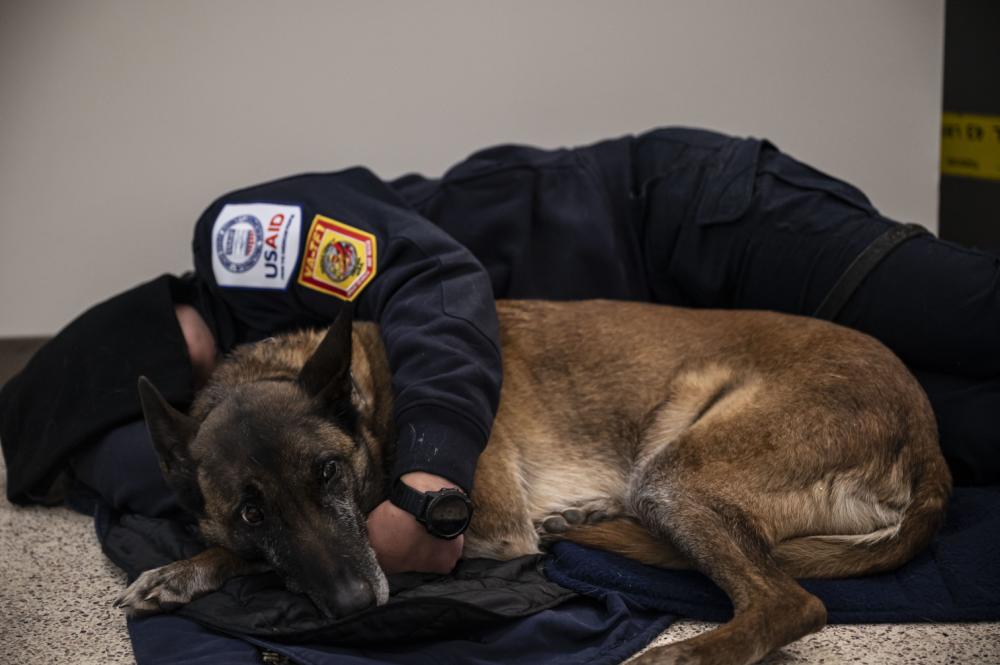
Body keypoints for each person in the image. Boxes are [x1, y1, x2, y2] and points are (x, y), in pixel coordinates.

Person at [2, 127, 997, 580]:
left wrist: (431, 476)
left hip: (689, 220)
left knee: (978, 312)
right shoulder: (274, 401)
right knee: (966, 433)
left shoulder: (238, 243)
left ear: (156, 333)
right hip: (696, 355)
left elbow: (440, 279)